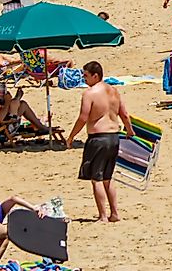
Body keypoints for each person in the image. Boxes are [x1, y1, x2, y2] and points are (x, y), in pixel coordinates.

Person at [65, 61, 132, 223]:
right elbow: (124, 114)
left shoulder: (90, 93)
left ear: (96, 76)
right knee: (108, 177)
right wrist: (130, 130)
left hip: (98, 138)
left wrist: (71, 136)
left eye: (86, 75)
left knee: (97, 178)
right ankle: (115, 213)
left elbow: (83, 117)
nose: (84, 78)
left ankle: (103, 216)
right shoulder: (114, 91)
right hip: (114, 137)